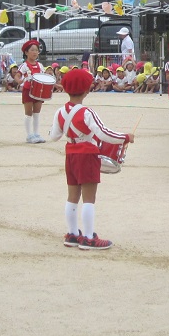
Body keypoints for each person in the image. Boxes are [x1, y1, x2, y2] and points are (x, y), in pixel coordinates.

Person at [48, 68, 134, 250]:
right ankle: (88, 237)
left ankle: (72, 233)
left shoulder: (60, 112)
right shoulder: (87, 112)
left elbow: (54, 136)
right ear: (87, 91)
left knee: (72, 196)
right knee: (89, 198)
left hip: (70, 154)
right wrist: (125, 137)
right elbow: (103, 133)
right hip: (87, 154)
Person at [19, 40, 47, 143]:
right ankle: (29, 135)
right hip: (28, 90)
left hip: (39, 91)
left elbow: (44, 76)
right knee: (28, 113)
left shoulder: (40, 65)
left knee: (37, 113)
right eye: (32, 50)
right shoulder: (24, 65)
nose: (35, 52)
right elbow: (17, 75)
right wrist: (19, 81)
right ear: (26, 52)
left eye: (36, 50)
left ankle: (36, 133)